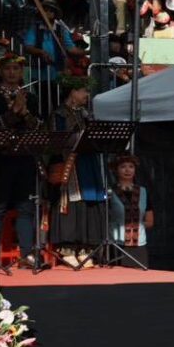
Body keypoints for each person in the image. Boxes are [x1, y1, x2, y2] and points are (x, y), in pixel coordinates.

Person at [0, 52, 40, 263]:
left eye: (16, 68)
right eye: (7, 68)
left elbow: (39, 127)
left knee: (26, 207)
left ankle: (27, 254)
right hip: (0, 158)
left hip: (25, 157)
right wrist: (13, 112)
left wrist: (25, 113)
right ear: (0, 71)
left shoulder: (31, 97)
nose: (12, 72)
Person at [47, 77, 108, 268]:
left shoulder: (85, 114)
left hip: (87, 162)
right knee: (70, 203)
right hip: (69, 163)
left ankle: (84, 248)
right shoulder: (58, 114)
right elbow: (55, 141)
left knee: (87, 202)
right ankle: (67, 248)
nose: (87, 95)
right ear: (72, 92)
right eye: (83, 91)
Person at [107, 155, 152, 268]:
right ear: (116, 170)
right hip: (117, 244)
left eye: (131, 166)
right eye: (123, 167)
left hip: (139, 244)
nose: (127, 170)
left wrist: (136, 226)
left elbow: (150, 221)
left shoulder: (143, 192)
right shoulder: (109, 192)